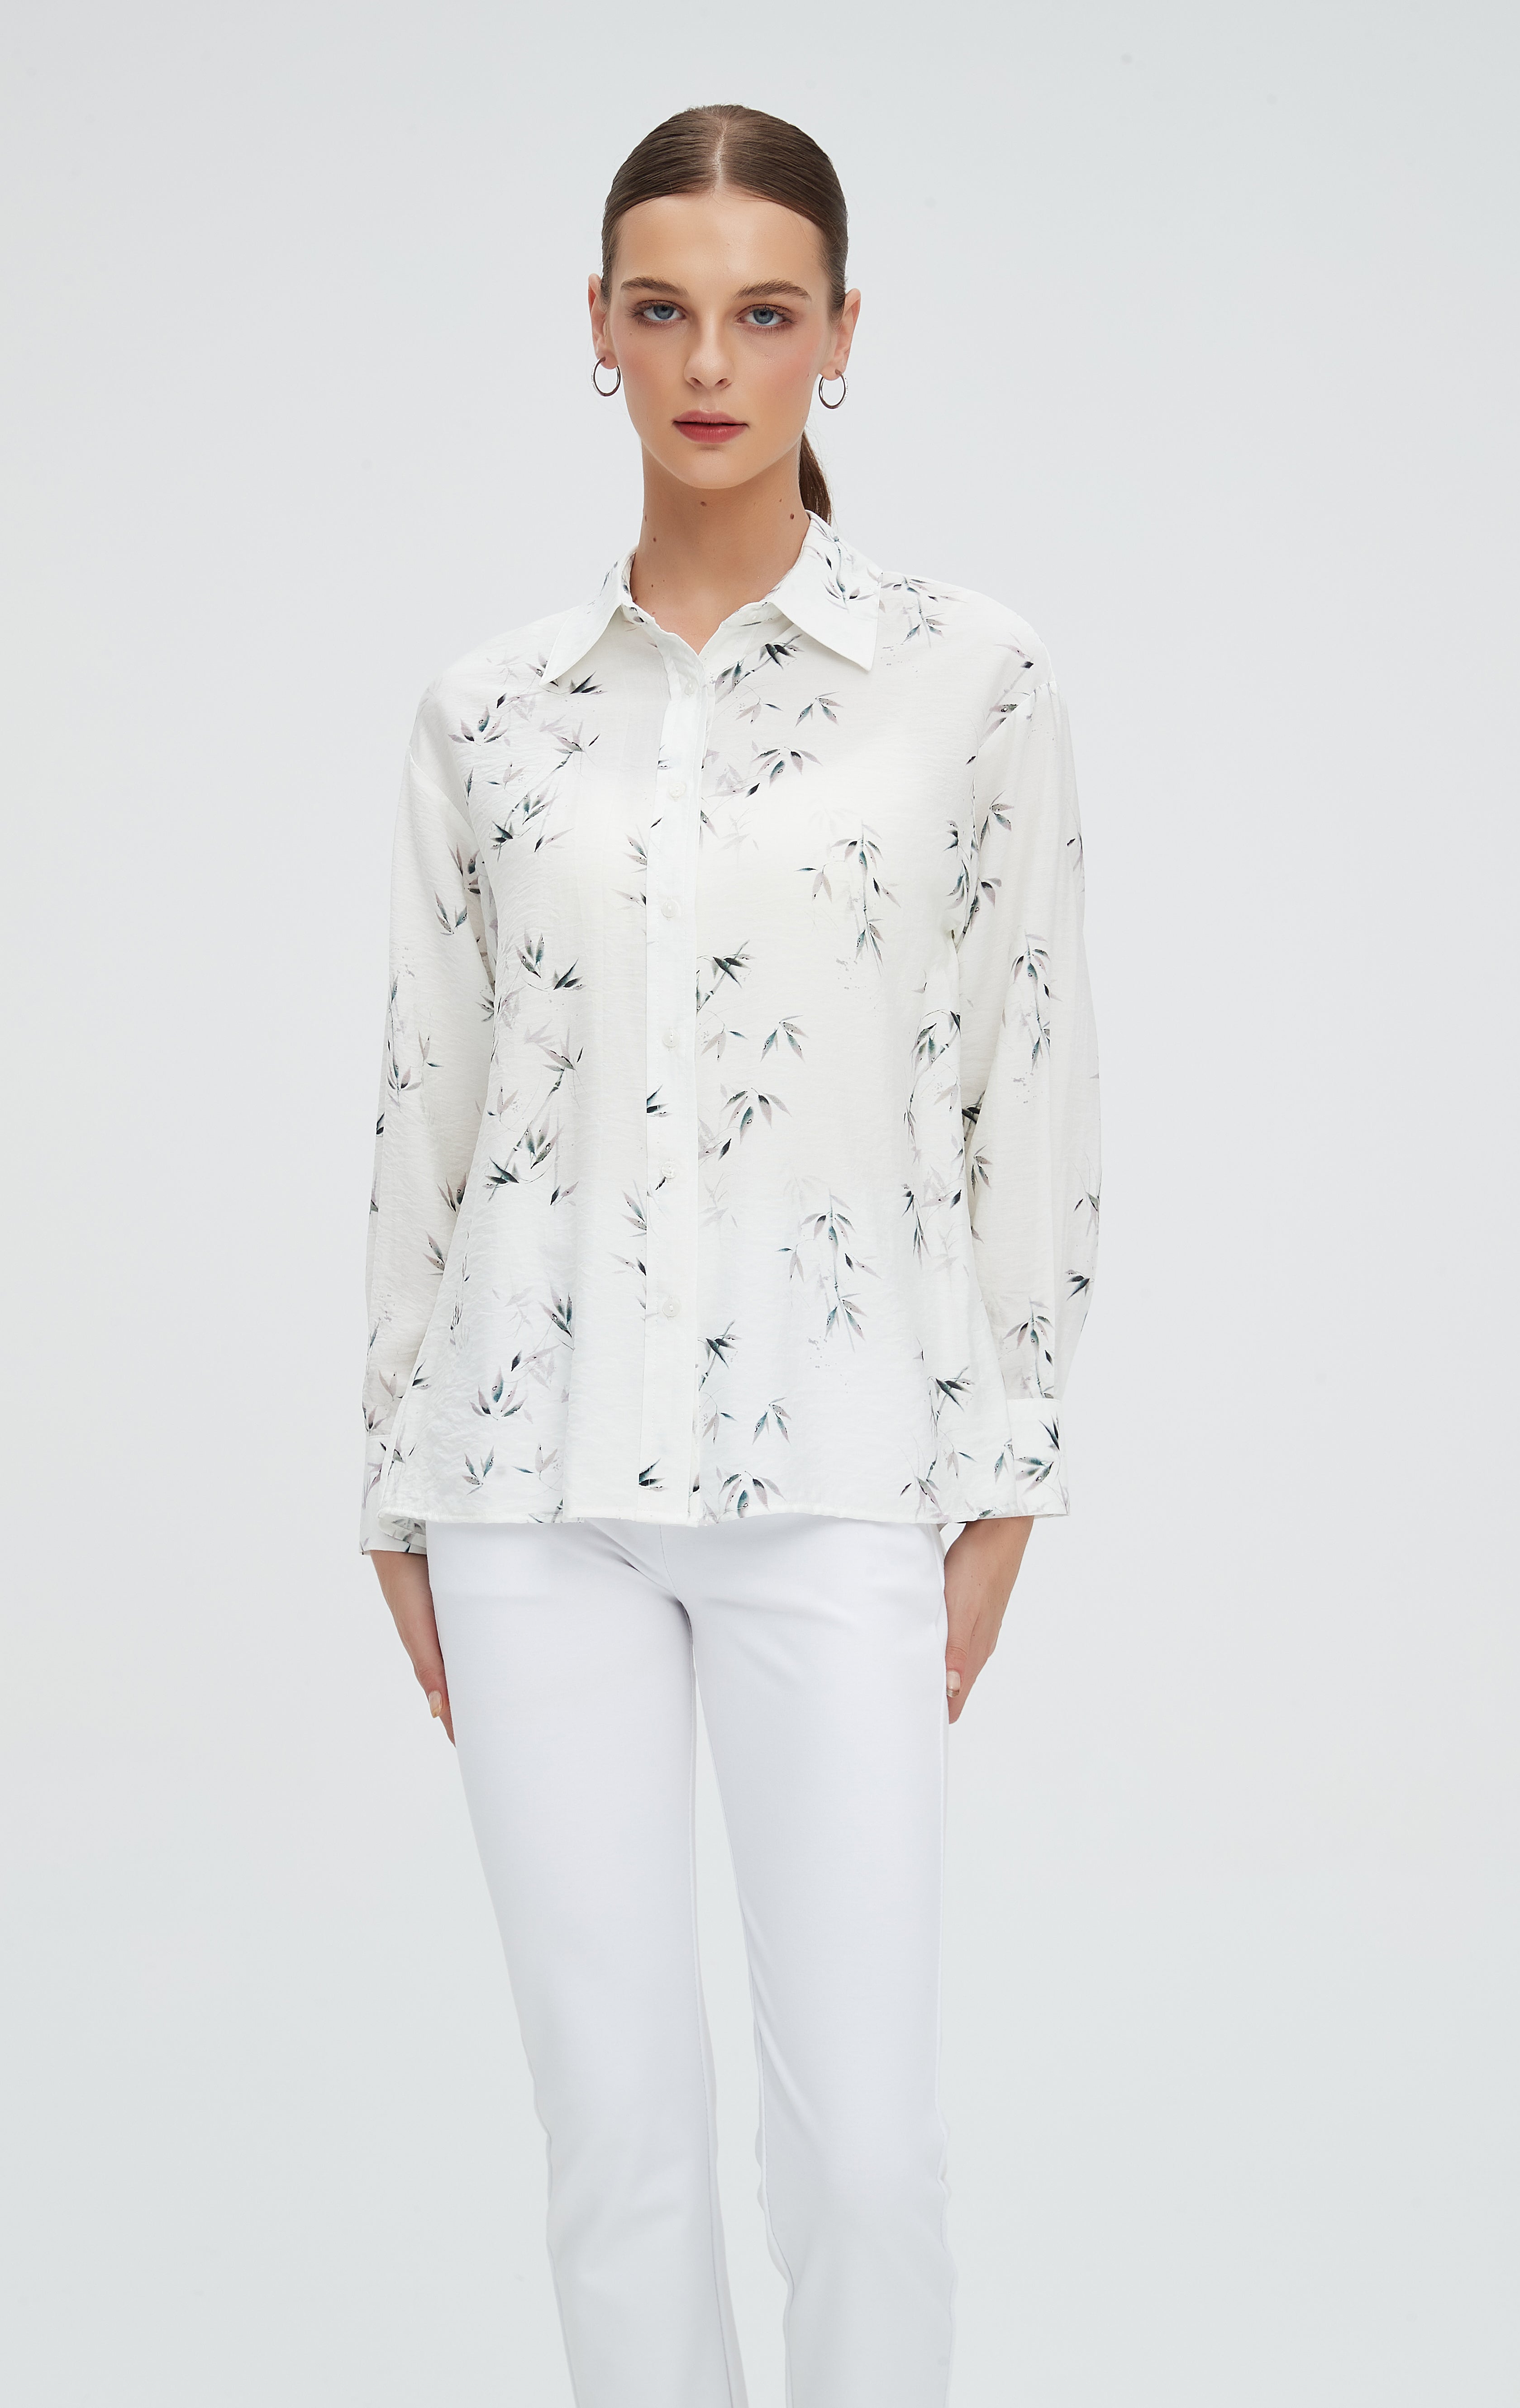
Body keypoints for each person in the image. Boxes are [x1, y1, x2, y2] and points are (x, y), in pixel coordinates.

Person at [360, 101, 1100, 2408]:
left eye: (763, 313)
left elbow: (1027, 1076)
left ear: (840, 334)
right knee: (618, 2149)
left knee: (860, 2152)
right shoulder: (489, 713)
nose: (710, 364)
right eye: (663, 311)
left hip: (846, 1470)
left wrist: (1008, 1470)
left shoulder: (969, 680)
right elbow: (430, 1100)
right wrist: (397, 1478)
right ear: (595, 328)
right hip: (527, 1486)